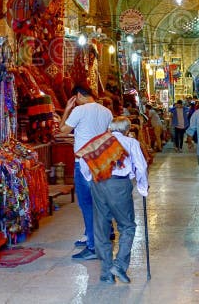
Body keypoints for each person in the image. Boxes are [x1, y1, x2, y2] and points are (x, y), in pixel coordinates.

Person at [82, 116, 148, 284]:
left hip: (98, 185)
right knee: (127, 226)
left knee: (101, 226)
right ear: (127, 130)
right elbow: (141, 166)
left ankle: (106, 273)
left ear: (110, 129)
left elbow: (84, 162)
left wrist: (91, 177)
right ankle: (119, 265)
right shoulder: (130, 142)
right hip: (119, 186)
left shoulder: (99, 142)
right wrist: (143, 187)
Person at [59, 85, 113, 260]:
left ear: (78, 96)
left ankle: (92, 246)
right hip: (101, 162)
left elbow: (62, 131)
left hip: (83, 163)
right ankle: (101, 237)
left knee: (87, 204)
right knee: (101, 203)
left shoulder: (79, 110)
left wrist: (67, 109)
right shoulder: (106, 112)